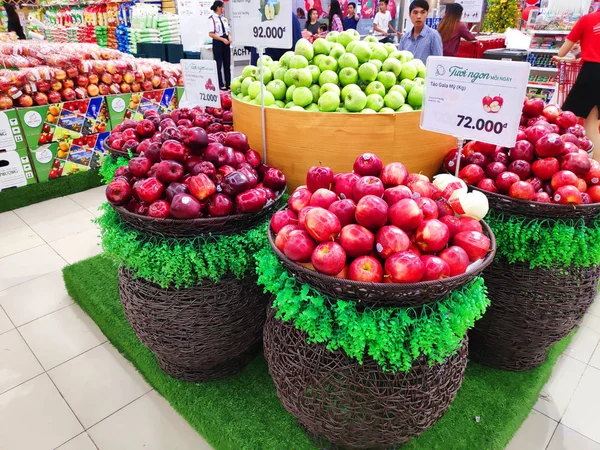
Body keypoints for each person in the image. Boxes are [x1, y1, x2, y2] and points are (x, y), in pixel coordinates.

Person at [555, 9, 600, 157]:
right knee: (592, 125)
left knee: (567, 121)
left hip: (592, 72)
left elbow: (562, 52)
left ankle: (567, 160)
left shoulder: (587, 20)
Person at [208, 1, 231, 90]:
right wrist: (222, 39)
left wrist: (229, 36)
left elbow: (228, 31)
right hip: (218, 41)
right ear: (218, 7)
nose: (223, 9)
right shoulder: (212, 19)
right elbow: (211, 34)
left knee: (227, 63)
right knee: (218, 63)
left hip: (226, 41)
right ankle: (220, 84)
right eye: (222, 7)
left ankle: (228, 83)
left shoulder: (224, 19)